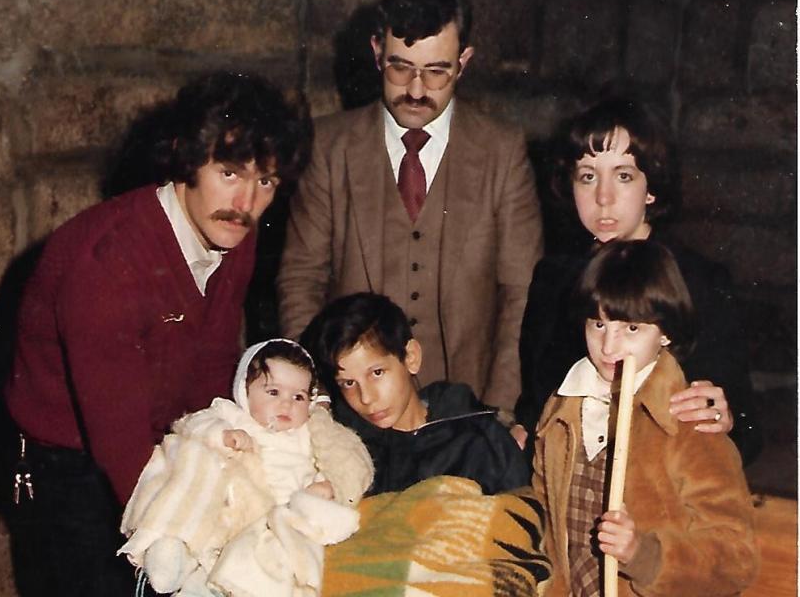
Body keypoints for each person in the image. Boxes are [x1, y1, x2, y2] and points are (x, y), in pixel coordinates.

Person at [4, 72, 311, 596]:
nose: (246, 202)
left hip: (160, 438)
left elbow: (212, 364)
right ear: (187, 159)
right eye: (230, 172)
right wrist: (202, 537)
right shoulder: (106, 264)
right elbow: (121, 447)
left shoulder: (233, 234)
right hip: (70, 462)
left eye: (266, 181)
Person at [278, 0, 543, 410]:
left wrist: (499, 412)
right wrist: (317, 396)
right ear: (377, 53)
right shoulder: (328, 147)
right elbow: (300, 280)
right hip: (350, 411)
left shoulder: (502, 151)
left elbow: (521, 296)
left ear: (464, 62)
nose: (416, 90)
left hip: (465, 410)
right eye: (401, 68)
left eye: (437, 72)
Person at [517, 97, 761, 463]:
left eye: (624, 175)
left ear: (651, 188)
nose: (603, 197)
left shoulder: (700, 281)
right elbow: (535, 404)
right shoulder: (553, 279)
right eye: (587, 176)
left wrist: (726, 418)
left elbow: (746, 430)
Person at [533, 239, 758, 597]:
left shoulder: (689, 420)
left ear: (666, 331)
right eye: (598, 324)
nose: (609, 347)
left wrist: (644, 554)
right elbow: (543, 515)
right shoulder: (562, 410)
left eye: (632, 329)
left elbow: (736, 559)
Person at [119, 339, 373, 597]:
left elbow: (334, 462)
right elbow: (191, 424)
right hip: (225, 508)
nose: (286, 404)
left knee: (273, 554)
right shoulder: (230, 414)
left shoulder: (307, 435)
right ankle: (173, 546)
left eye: (298, 397)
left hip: (269, 520)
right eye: (273, 392)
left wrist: (323, 487)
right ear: (244, 390)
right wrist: (223, 435)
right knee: (191, 459)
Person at [300, 292, 530, 495]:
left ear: (411, 357)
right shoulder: (342, 451)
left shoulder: (480, 439)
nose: (367, 398)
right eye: (349, 383)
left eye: (377, 373)